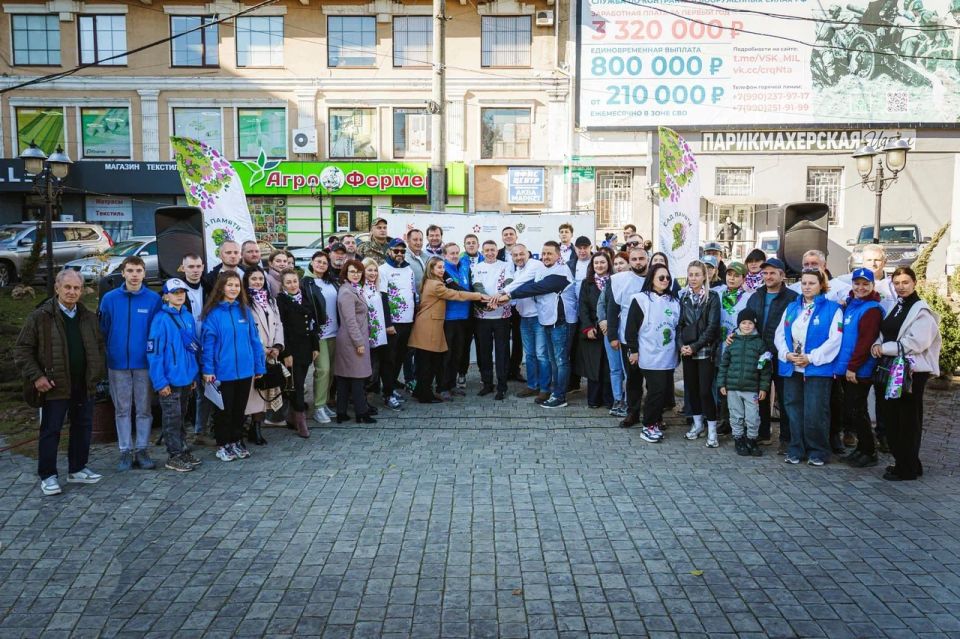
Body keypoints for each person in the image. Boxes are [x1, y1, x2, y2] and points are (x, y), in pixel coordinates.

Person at [14, 270, 105, 496]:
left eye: (76, 288)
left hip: (83, 383)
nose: (72, 292)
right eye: (68, 287)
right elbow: (22, 349)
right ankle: (48, 475)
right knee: (51, 430)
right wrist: (37, 377)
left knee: (83, 427)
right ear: (57, 288)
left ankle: (77, 468)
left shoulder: (88, 316)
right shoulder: (41, 316)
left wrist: (96, 371)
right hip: (54, 385)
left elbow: (98, 346)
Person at [870, 267, 941, 481]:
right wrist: (877, 344)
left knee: (907, 419)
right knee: (893, 417)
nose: (901, 287)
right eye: (897, 283)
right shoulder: (897, 307)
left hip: (912, 371)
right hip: (893, 368)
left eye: (905, 282)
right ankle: (907, 461)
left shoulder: (921, 310)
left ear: (915, 283)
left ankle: (907, 468)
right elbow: (885, 331)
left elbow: (916, 343)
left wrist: (884, 348)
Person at [99, 255, 163, 471]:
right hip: (117, 364)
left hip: (144, 364)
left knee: (144, 408)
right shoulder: (109, 299)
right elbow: (104, 328)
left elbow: (156, 332)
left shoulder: (153, 299)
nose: (134, 275)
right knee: (122, 409)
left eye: (138, 271)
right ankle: (125, 450)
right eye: (130, 271)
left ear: (144, 274)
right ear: (123, 273)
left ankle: (142, 449)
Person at [775, 268, 843, 466]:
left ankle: (818, 451)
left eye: (811, 283)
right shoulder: (792, 308)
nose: (807, 287)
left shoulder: (832, 309)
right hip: (792, 367)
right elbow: (780, 334)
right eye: (804, 283)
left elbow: (835, 340)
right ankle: (796, 448)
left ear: (821, 285)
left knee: (815, 411)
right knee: (793, 410)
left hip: (817, 368)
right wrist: (786, 354)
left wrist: (811, 358)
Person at [495, 241, 574, 409]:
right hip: (545, 321)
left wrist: (506, 295)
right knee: (547, 358)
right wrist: (506, 298)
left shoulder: (560, 271)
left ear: (558, 255)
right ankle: (544, 388)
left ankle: (557, 395)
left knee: (558, 361)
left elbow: (536, 288)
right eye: (544, 253)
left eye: (549, 253)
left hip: (558, 322)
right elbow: (529, 286)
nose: (545, 256)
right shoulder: (543, 269)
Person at [201, 272, 266, 462]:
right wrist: (208, 369)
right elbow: (208, 345)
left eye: (237, 285)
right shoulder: (213, 314)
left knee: (239, 410)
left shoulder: (244, 310)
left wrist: (259, 366)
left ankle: (237, 440)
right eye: (229, 285)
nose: (233, 289)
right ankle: (223, 444)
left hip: (245, 371)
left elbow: (255, 340)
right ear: (221, 287)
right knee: (224, 412)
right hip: (223, 372)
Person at [408, 257, 486, 403]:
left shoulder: (430, 282)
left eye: (443, 267)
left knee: (427, 361)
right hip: (429, 326)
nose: (442, 270)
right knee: (427, 364)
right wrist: (478, 295)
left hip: (427, 325)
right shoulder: (436, 285)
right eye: (438, 267)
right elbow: (456, 294)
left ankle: (420, 391)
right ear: (431, 269)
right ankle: (425, 395)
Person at [742, 258, 798, 452]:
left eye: (772, 273)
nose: (768, 276)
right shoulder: (756, 296)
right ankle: (763, 432)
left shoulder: (792, 297)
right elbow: (746, 321)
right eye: (765, 273)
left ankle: (786, 438)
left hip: (782, 354)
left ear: (782, 275)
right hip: (760, 353)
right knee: (762, 395)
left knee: (785, 397)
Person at [147, 278, 202, 472]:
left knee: (182, 417)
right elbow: (154, 354)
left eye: (182, 292)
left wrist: (194, 376)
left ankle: (183, 448)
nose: (179, 295)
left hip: (187, 378)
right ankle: (174, 455)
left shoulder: (187, 317)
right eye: (175, 292)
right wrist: (160, 382)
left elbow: (191, 349)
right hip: (169, 380)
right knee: (171, 418)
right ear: (166, 296)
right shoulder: (160, 320)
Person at [624, 263, 680, 444]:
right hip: (648, 353)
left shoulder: (674, 301)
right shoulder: (640, 299)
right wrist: (633, 350)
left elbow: (679, 327)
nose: (665, 281)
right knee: (655, 390)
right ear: (652, 279)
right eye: (661, 278)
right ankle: (648, 425)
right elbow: (631, 328)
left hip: (668, 355)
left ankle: (655, 421)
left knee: (662, 392)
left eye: (667, 278)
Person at [834, 268, 883, 468]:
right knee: (853, 410)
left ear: (872, 285)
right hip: (847, 367)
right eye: (857, 284)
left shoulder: (871, 309)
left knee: (858, 410)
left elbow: (865, 342)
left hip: (858, 370)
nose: (860, 288)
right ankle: (862, 448)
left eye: (865, 284)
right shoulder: (852, 305)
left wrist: (853, 367)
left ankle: (869, 451)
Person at [717, 308, 772, 457]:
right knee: (736, 416)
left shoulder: (760, 344)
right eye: (743, 323)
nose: (747, 326)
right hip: (733, 388)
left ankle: (752, 440)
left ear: (754, 325)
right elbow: (724, 365)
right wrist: (722, 384)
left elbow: (766, 369)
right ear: (738, 324)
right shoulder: (732, 342)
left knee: (753, 417)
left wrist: (764, 388)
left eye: (750, 323)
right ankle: (739, 439)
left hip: (752, 389)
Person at [679, 261, 722, 447]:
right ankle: (697, 425)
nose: (694, 278)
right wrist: (682, 345)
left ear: (705, 276)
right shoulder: (683, 298)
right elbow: (678, 324)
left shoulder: (712, 297)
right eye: (691, 274)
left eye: (697, 274)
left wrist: (695, 346)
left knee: (705, 391)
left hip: (704, 350)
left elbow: (712, 327)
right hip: (687, 351)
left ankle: (712, 429)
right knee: (692, 390)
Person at [605, 247, 649, 427]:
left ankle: (655, 415)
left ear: (647, 259)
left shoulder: (658, 278)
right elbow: (612, 309)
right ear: (629, 261)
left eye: (641, 258)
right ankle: (633, 412)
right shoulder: (619, 280)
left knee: (654, 379)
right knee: (632, 378)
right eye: (634, 259)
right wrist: (613, 336)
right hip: (627, 337)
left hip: (652, 338)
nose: (638, 262)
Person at [243, 267, 285, 446]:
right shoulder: (243, 302)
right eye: (254, 279)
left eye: (260, 279)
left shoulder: (271, 301)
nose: (258, 282)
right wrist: (263, 348)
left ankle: (257, 426)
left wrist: (276, 345)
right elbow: (248, 329)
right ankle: (248, 427)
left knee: (264, 392)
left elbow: (278, 325)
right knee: (252, 394)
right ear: (247, 281)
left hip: (270, 353)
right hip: (254, 353)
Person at [275, 268, 317, 438]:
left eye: (294, 281)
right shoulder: (281, 301)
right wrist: (286, 353)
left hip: (306, 348)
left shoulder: (305, 297)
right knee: (296, 385)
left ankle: (292, 417)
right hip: (291, 350)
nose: (293, 285)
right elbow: (282, 328)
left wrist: (316, 347)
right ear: (283, 285)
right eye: (288, 283)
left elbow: (313, 324)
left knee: (297, 383)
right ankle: (300, 420)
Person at [334, 260, 377, 423]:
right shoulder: (346, 292)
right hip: (351, 340)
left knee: (345, 377)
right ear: (345, 273)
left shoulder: (353, 289)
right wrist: (359, 343)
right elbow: (350, 320)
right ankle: (361, 413)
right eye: (352, 271)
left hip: (352, 338)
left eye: (359, 272)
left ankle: (342, 412)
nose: (356, 274)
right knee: (357, 378)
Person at [503, 244, 548, 401]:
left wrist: (501, 294)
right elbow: (514, 298)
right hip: (524, 318)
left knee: (541, 355)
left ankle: (544, 388)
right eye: (515, 256)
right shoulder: (517, 271)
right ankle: (532, 386)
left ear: (528, 253)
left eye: (521, 254)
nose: (518, 258)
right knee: (530, 355)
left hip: (538, 318)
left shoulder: (535, 265)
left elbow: (517, 286)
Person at [471, 240, 512, 400]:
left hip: (502, 316)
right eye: (487, 250)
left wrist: (498, 299)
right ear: (483, 251)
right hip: (482, 316)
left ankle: (502, 386)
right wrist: (490, 302)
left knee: (502, 353)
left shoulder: (506, 265)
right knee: (484, 352)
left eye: (492, 250)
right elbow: (477, 287)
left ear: (497, 251)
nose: (490, 253)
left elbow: (509, 283)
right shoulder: (477, 267)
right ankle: (487, 383)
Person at [379, 238, 417, 410]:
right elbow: (383, 298)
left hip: (408, 321)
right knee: (389, 359)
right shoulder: (383, 270)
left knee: (401, 357)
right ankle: (387, 394)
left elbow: (412, 295)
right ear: (389, 251)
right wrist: (388, 323)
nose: (400, 254)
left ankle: (392, 388)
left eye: (403, 251)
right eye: (396, 251)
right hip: (393, 322)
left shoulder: (408, 269)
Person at [180, 253, 213, 442]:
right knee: (184, 393)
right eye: (190, 267)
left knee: (206, 391)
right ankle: (181, 435)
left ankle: (201, 431)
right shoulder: (177, 289)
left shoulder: (209, 287)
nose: (195, 270)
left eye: (198, 266)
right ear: (183, 268)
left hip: (206, 346)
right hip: (185, 349)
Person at [302, 251, 337, 424]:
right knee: (322, 370)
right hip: (320, 334)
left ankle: (325, 402)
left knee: (331, 371)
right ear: (312, 262)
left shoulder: (332, 282)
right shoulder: (306, 283)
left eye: (324, 262)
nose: (321, 265)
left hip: (335, 332)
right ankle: (318, 407)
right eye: (318, 261)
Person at [577, 252, 614, 409]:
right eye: (596, 263)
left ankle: (609, 400)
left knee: (608, 365)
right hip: (592, 329)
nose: (599, 266)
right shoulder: (587, 283)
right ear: (592, 266)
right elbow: (583, 307)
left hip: (610, 329)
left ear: (608, 264)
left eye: (602, 262)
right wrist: (588, 327)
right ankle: (593, 399)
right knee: (594, 365)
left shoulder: (615, 281)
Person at [597, 252, 629, 417]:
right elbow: (601, 303)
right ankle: (618, 400)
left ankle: (629, 401)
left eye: (622, 263)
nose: (618, 266)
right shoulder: (611, 282)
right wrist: (602, 320)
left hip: (628, 333)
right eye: (616, 263)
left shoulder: (634, 282)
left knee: (628, 370)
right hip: (611, 331)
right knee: (615, 368)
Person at [438, 242, 472, 399]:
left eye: (457, 252)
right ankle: (442, 387)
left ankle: (452, 384)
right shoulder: (443, 270)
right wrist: (480, 298)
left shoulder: (464, 265)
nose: (454, 255)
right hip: (449, 318)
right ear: (445, 255)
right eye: (451, 253)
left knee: (458, 353)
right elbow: (457, 291)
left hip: (464, 318)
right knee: (447, 354)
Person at [360, 258, 394, 405]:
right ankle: (366, 397)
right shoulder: (360, 289)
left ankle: (389, 394)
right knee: (371, 367)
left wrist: (388, 325)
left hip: (382, 333)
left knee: (387, 364)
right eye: (369, 270)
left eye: (375, 270)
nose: (373, 273)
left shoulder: (379, 287)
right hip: (368, 334)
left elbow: (385, 308)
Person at [565, 236, 593, 393]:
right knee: (573, 348)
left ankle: (594, 383)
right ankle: (573, 382)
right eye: (579, 248)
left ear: (590, 247)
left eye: (585, 247)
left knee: (590, 349)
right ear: (575, 249)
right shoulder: (570, 264)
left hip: (590, 313)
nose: (582, 251)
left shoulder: (597, 262)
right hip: (573, 312)